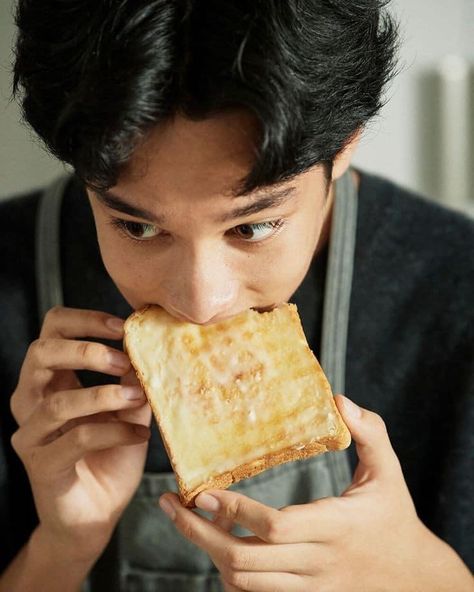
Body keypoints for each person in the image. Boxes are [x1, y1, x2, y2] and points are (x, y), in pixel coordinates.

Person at [0, 1, 473, 590]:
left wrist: (422, 576)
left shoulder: (458, 288)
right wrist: (62, 546)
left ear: (344, 145)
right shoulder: (10, 277)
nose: (200, 302)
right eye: (138, 228)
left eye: (252, 227)